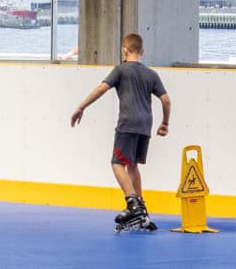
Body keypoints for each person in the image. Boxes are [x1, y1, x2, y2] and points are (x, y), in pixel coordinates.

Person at [70, 33, 169, 232]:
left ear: (124, 51)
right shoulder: (151, 74)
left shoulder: (121, 70)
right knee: (132, 165)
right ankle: (142, 210)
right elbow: (166, 100)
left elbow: (101, 89)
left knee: (117, 163)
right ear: (142, 52)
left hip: (128, 124)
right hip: (145, 126)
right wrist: (165, 122)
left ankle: (133, 205)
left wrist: (81, 107)